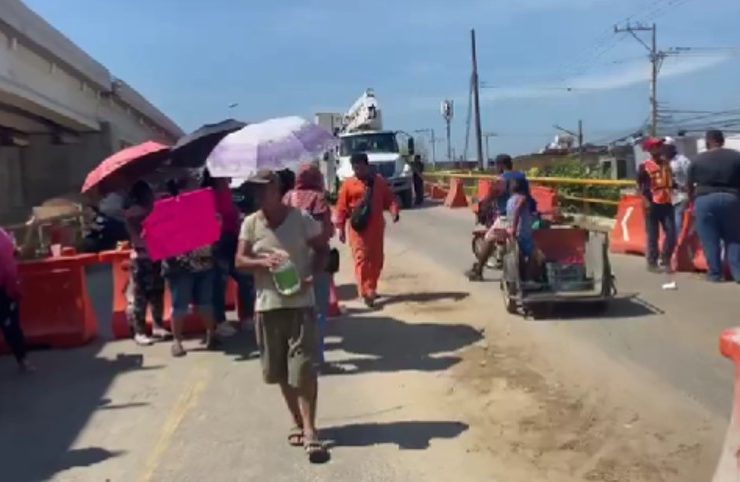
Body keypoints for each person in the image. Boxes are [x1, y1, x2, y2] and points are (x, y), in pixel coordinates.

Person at [235, 170, 329, 463]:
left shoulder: (300, 218)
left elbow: (323, 248)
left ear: (277, 188)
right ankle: (298, 421)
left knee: (302, 368)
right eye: (255, 191)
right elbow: (239, 260)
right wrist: (263, 261)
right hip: (267, 306)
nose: (260, 195)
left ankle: (311, 430)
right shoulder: (251, 224)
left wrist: (312, 276)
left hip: (300, 304)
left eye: (264, 189)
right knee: (279, 372)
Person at [283, 163, 334, 364]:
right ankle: (316, 358)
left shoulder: (287, 198)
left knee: (293, 308)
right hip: (315, 260)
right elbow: (325, 231)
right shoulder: (318, 199)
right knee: (318, 310)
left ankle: (294, 353)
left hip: (290, 260)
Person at [335, 152, 400, 307]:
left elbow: (390, 199)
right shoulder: (348, 185)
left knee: (377, 261)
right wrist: (340, 228)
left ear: (366, 165)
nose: (357, 171)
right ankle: (366, 290)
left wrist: (394, 211)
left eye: (360, 168)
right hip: (358, 230)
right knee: (362, 259)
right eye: (354, 168)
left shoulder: (379, 182)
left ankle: (371, 286)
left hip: (376, 228)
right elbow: (341, 208)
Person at [162, 178, 218, 357]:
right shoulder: (169, 211)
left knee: (205, 304)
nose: (193, 191)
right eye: (189, 188)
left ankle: (211, 335)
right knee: (180, 306)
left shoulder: (204, 209)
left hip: (204, 264)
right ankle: (177, 342)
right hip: (180, 267)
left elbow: (214, 234)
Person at [466, 154, 535, 281]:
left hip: (508, 217)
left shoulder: (502, 179)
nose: (496, 168)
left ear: (501, 165)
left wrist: (482, 206)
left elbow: (491, 196)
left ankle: (478, 271)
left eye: (496, 165)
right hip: (527, 215)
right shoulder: (521, 176)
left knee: (489, 238)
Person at [202, 170, 254, 337]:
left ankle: (246, 317)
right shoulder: (207, 193)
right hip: (218, 242)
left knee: (245, 277)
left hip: (233, 238)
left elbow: (230, 211)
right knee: (220, 283)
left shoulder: (226, 188)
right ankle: (219, 321)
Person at [687, 129, 740, 282]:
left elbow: (689, 184)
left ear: (708, 141)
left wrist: (691, 202)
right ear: (722, 140)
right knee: (735, 238)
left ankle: (715, 274)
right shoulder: (736, 157)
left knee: (710, 239)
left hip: (705, 200)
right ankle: (738, 273)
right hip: (732, 199)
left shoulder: (698, 160)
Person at [123, 180, 169, 346]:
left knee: (157, 291)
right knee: (141, 295)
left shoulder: (145, 209)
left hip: (154, 255)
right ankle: (140, 331)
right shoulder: (134, 212)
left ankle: (157, 326)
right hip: (142, 258)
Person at [637, 137, 676, 272]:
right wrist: (646, 201)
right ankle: (652, 262)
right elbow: (640, 186)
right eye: (656, 146)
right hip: (652, 204)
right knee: (653, 235)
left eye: (660, 145)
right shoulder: (644, 166)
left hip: (667, 202)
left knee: (672, 234)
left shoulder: (667, 164)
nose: (660, 148)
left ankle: (665, 259)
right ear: (650, 150)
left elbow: (671, 182)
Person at [0, 226, 33, 372]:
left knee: (12, 326)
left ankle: (22, 359)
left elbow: (16, 252)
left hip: (8, 287)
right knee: (9, 325)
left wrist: (32, 228)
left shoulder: (2, 233)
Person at [662, 138, 692, 236]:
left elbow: (691, 176)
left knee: (677, 217)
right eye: (662, 147)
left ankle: (676, 241)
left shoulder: (682, 160)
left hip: (680, 194)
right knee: (666, 219)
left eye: (666, 147)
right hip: (665, 195)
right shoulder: (661, 161)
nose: (663, 149)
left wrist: (689, 192)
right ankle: (668, 240)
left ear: (672, 147)